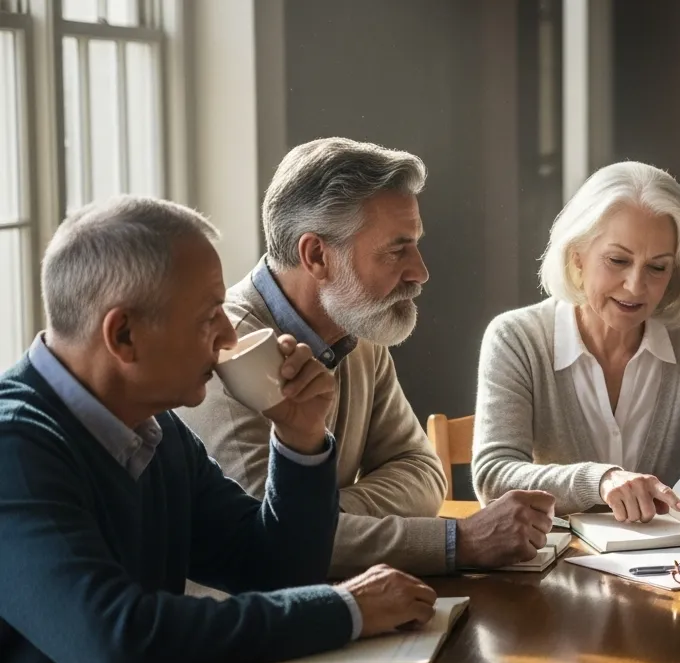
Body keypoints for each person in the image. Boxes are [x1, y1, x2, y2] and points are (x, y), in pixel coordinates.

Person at [0, 196, 435, 663]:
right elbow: (119, 641)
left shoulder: (155, 430)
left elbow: (273, 570)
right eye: (209, 314)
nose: (229, 332)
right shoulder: (15, 448)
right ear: (124, 335)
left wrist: (300, 440)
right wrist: (344, 608)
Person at [180, 138, 553, 576]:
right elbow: (272, 545)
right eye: (397, 250)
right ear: (317, 255)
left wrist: (322, 512)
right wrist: (460, 541)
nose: (420, 272)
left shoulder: (356, 319)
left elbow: (422, 473)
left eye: (414, 245)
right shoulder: (227, 350)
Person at [474, 161, 680, 521]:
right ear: (577, 256)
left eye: (657, 267)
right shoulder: (516, 338)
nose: (636, 286)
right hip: (562, 568)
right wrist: (601, 481)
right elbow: (493, 478)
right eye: (618, 260)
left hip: (679, 570)